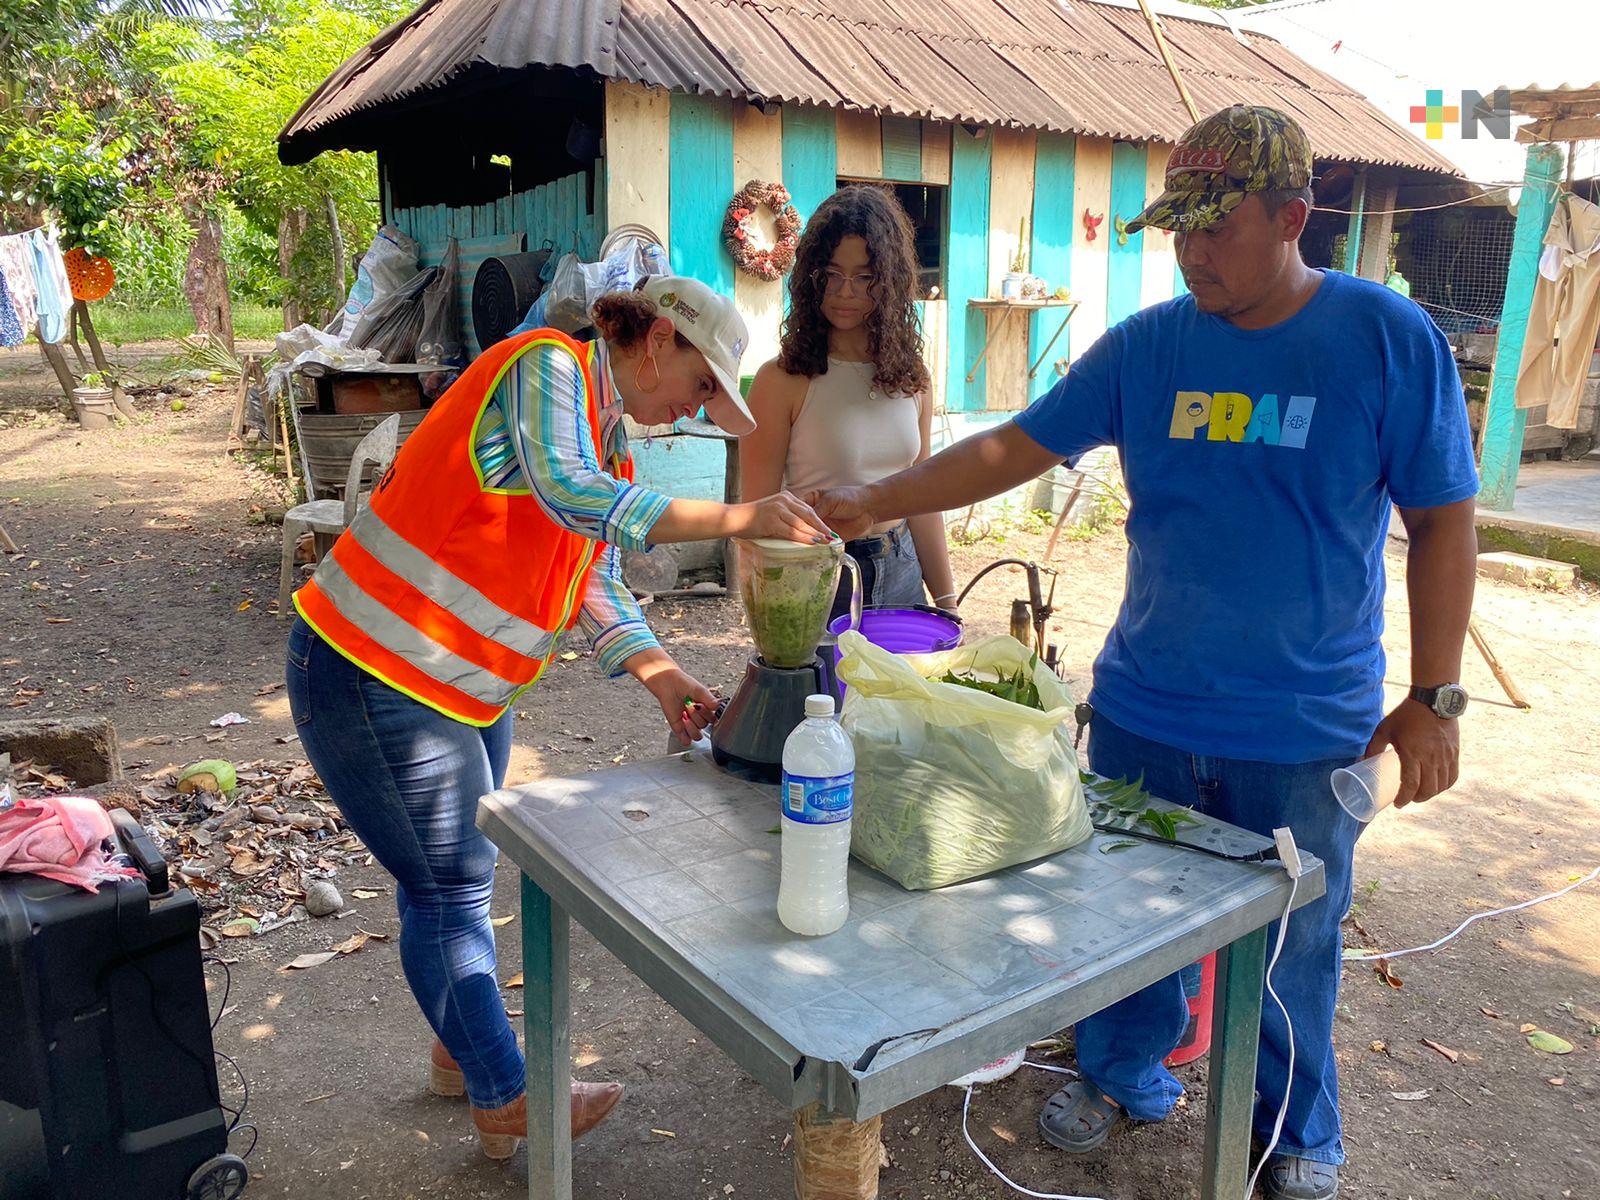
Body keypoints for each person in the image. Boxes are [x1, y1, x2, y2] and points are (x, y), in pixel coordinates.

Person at [808, 106, 1479, 1200]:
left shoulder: (1382, 338)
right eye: (1180, 230)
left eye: (1217, 229)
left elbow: (1445, 521)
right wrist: (876, 498)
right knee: (1121, 928)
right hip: (1145, 708)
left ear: (1292, 216)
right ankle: (1126, 1076)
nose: (1192, 252)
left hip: (1301, 729)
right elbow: (1014, 445)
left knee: (1290, 949)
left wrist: (1434, 699)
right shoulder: (1151, 345)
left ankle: (1294, 1131)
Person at [285, 275, 831, 1159]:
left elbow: (592, 570)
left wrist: (660, 673)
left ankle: (466, 1051)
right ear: (658, 343)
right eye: (700, 385)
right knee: (449, 885)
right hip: (367, 667)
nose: (693, 410)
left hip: (456, 688)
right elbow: (571, 494)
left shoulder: (607, 442)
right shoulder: (547, 369)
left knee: (459, 881)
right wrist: (739, 517)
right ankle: (508, 1096)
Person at [740, 185, 957, 619]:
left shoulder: (914, 377)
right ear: (810, 278)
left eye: (864, 276)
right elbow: (754, 519)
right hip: (815, 568)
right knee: (823, 690)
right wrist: (766, 613)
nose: (845, 292)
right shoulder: (780, 380)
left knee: (901, 689)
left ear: (890, 281)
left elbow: (923, 498)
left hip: (902, 567)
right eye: (832, 275)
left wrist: (948, 602)